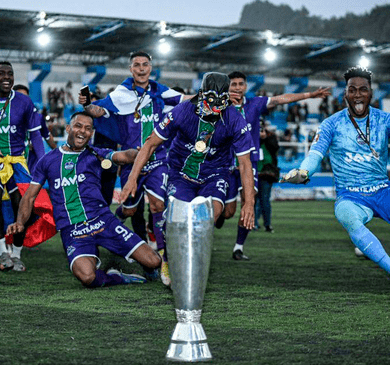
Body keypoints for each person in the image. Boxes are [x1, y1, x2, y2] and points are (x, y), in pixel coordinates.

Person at [283, 66, 390, 288]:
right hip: (350, 195)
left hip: (383, 190)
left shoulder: (385, 119)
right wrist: (304, 172)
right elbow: (314, 156)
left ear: (371, 93)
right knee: (348, 217)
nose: (357, 95)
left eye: (362, 90)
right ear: (345, 93)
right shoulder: (331, 124)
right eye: (352, 90)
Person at [7, 112, 161, 287]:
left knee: (154, 261)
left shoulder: (96, 154)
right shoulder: (47, 161)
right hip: (73, 229)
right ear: (68, 128)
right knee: (87, 276)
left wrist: (138, 154)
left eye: (88, 128)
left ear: (92, 133)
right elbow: (29, 197)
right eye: (78, 126)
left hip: (103, 221)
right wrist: (20, 222)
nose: (83, 131)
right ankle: (119, 277)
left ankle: (147, 268)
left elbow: (123, 155)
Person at [80, 51, 188, 285]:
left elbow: (185, 100)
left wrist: (209, 96)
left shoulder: (161, 91)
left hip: (159, 157)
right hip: (132, 160)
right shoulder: (121, 94)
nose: (141, 68)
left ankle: (164, 260)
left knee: (158, 204)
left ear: (151, 68)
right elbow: (99, 111)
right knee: (129, 210)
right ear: (131, 69)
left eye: (145, 64)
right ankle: (113, 222)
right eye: (137, 65)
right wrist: (88, 104)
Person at [122, 72, 257, 255]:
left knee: (208, 217)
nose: (215, 108)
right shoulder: (181, 111)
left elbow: (245, 164)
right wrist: (132, 178)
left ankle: (192, 260)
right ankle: (169, 259)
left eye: (220, 101)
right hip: (181, 174)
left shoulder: (235, 119)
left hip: (214, 174)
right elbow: (150, 144)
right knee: (176, 222)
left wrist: (249, 203)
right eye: (211, 100)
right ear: (201, 94)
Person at [222, 71, 331, 260]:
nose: (238, 87)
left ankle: (238, 248)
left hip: (250, 163)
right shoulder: (220, 107)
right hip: (225, 162)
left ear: (246, 86)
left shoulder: (254, 104)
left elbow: (281, 99)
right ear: (227, 87)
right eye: (233, 84)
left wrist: (310, 95)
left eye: (241, 84)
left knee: (250, 201)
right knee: (228, 213)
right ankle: (218, 218)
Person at [0, 61, 45, 272]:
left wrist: (41, 165)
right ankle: (2, 251)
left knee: (22, 205)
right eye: (1, 73)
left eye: (10, 74)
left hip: (17, 160)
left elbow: (35, 135)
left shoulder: (24, 102)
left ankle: (17, 254)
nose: (6, 77)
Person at [12, 84, 57, 172]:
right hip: (12, 162)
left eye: (25, 97)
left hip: (32, 164)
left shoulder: (37, 117)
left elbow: (47, 136)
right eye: (19, 97)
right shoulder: (4, 118)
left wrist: (58, 152)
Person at [256, 122, 279, 233]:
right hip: (254, 172)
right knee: (254, 200)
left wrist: (265, 138)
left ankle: (267, 224)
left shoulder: (271, 137)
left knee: (264, 200)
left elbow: (275, 148)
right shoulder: (251, 136)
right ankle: (254, 223)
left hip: (266, 173)